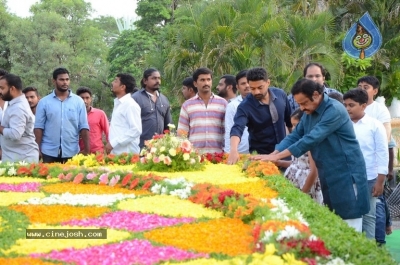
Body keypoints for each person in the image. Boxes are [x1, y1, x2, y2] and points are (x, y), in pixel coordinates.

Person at [252, 79, 369, 231]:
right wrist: (273, 153)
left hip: (346, 174)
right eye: (299, 104)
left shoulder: (335, 109)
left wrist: (276, 158)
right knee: (332, 222)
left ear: (316, 95)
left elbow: (311, 139)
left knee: (349, 224)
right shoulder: (309, 112)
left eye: (304, 103)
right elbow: (296, 135)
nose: (301, 108)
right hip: (326, 173)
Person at [343, 88, 388, 239]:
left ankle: (368, 252)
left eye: (351, 105)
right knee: (348, 215)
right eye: (346, 105)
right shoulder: (342, 125)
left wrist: (380, 181)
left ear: (363, 106)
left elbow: (382, 153)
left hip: (369, 178)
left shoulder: (375, 125)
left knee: (369, 216)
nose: (347, 108)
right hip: (345, 178)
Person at [227, 67, 292, 164]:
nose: (256, 92)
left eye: (260, 88)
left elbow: (289, 122)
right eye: (252, 88)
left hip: (284, 155)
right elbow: (237, 128)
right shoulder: (245, 106)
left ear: (268, 83)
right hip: (260, 159)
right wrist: (233, 150)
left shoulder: (280, 95)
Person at [357, 76, 393, 244]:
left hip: (374, 166)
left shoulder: (380, 111)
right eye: (360, 86)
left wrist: (383, 173)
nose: (362, 89)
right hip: (357, 170)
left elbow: (385, 141)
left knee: (375, 206)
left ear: (375, 91)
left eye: (366, 87)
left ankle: (379, 239)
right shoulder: (351, 110)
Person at [34, 68, 90, 163]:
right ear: (54, 81)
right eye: (61, 79)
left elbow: (83, 126)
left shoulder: (78, 102)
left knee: (71, 177)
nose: (65, 82)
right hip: (48, 152)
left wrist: (87, 149)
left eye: (67, 79)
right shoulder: (44, 102)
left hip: (72, 152)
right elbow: (39, 127)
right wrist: (37, 149)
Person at [275, 109, 323, 204]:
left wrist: (302, 194)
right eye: (292, 125)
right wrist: (280, 162)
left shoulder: (310, 142)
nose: (293, 129)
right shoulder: (299, 140)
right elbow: (298, 164)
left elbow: (314, 171)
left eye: (296, 125)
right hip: (296, 184)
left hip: (306, 187)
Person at [177, 67, 227, 153]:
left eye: (208, 79)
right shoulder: (187, 105)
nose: (206, 83)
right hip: (195, 156)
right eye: (202, 80)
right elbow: (182, 133)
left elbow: (227, 129)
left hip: (218, 155)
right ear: (195, 83)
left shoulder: (223, 103)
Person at [0, 74, 39, 163]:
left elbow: (15, 134)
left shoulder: (18, 107)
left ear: (12, 89)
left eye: (2, 88)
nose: (0, 91)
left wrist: (0, 128)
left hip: (22, 159)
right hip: (16, 156)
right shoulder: (14, 104)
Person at [132, 68, 172, 149]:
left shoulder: (164, 99)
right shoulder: (135, 98)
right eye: (154, 78)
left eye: (159, 78)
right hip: (140, 147)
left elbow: (169, 125)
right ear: (145, 81)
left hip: (160, 149)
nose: (157, 81)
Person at [106, 73, 141, 155]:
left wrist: (113, 143)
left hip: (127, 154)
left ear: (122, 87)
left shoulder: (130, 105)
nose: (112, 83)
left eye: (115, 81)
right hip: (116, 153)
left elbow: (136, 130)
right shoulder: (118, 104)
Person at [76, 87, 109, 154]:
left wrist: (109, 147)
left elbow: (108, 132)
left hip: (97, 152)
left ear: (91, 99)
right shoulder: (73, 114)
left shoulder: (100, 114)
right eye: (82, 98)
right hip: (79, 153)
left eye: (87, 98)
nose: (85, 101)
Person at [224, 70, 250, 154]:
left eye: (248, 82)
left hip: (260, 152)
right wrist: (229, 153)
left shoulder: (262, 103)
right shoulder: (233, 105)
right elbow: (229, 129)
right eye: (243, 84)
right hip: (240, 153)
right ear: (238, 87)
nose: (247, 86)